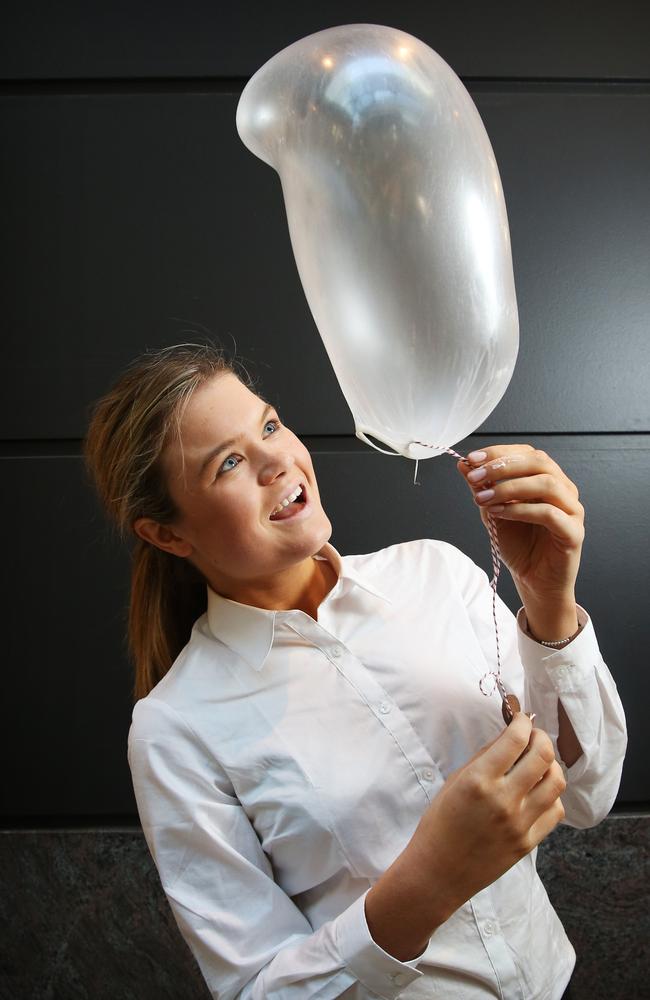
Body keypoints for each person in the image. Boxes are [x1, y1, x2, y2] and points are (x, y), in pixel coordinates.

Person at [84, 342, 627, 1000]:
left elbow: (585, 795)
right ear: (168, 535)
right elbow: (260, 990)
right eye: (229, 462)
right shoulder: (174, 730)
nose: (276, 460)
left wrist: (548, 599)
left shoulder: (435, 573)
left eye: (270, 425)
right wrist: (429, 882)